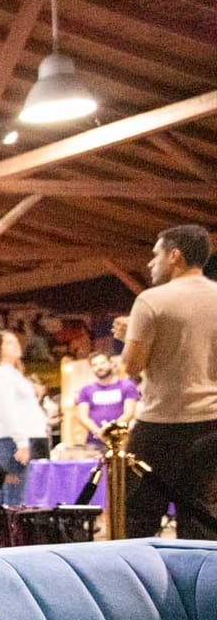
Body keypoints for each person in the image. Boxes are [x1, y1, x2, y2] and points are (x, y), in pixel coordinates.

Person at [114, 224, 217, 539]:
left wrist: (126, 336)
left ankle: (142, 587)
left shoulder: (151, 301)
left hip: (159, 425)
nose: (150, 263)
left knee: (138, 516)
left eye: (155, 255)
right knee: (201, 517)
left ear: (175, 256)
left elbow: (131, 367)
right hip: (211, 424)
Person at [0, 329, 48, 509]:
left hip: (20, 439)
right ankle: (11, 535)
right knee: (14, 497)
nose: (15, 345)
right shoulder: (1, 375)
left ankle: (0, 534)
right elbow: (6, 410)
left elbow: (23, 409)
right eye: (8, 342)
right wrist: (21, 442)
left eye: (16, 341)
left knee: (9, 496)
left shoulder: (13, 374)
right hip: (10, 442)